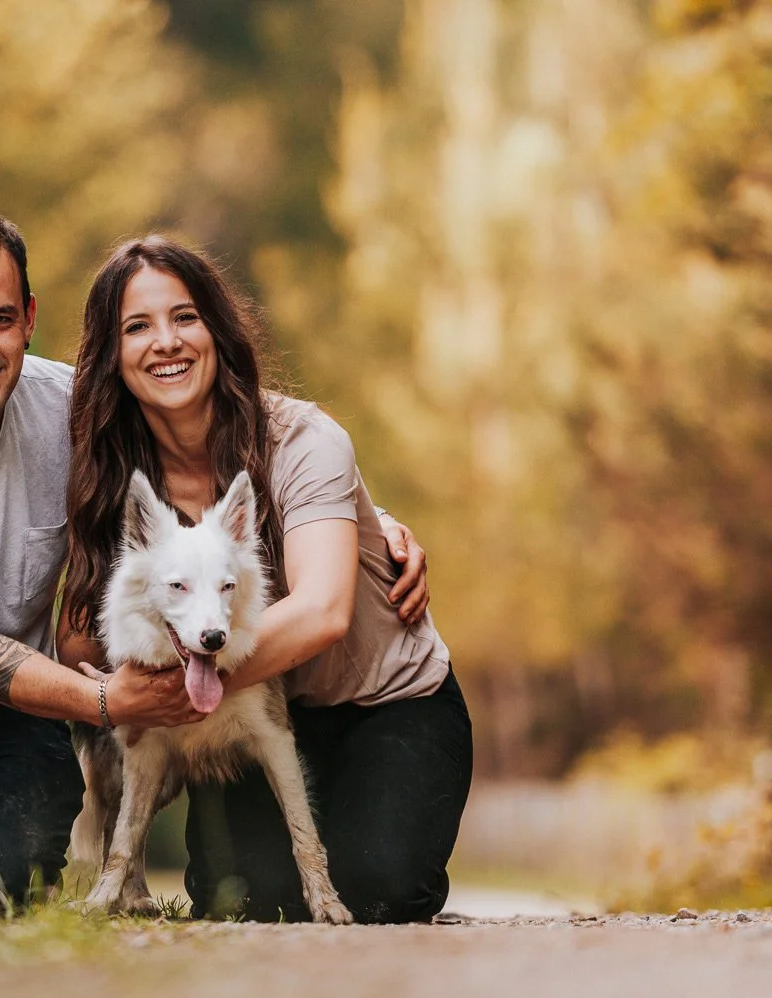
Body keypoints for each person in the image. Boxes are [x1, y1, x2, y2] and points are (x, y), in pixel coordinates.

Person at [0, 205, 433, 924]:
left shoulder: (74, 412)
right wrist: (107, 701)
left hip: (9, 715)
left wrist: (365, 527)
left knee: (2, 889)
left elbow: (229, 449)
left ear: (29, 317)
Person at [59, 235, 472, 925]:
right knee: (243, 898)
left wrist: (177, 687)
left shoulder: (304, 440)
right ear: (112, 354)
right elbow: (81, 639)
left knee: (380, 888)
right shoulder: (112, 474)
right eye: (138, 326)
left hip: (382, 700)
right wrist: (118, 689)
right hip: (238, 719)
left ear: (217, 329)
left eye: (185, 317)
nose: (166, 342)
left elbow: (321, 612)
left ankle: (402, 854)